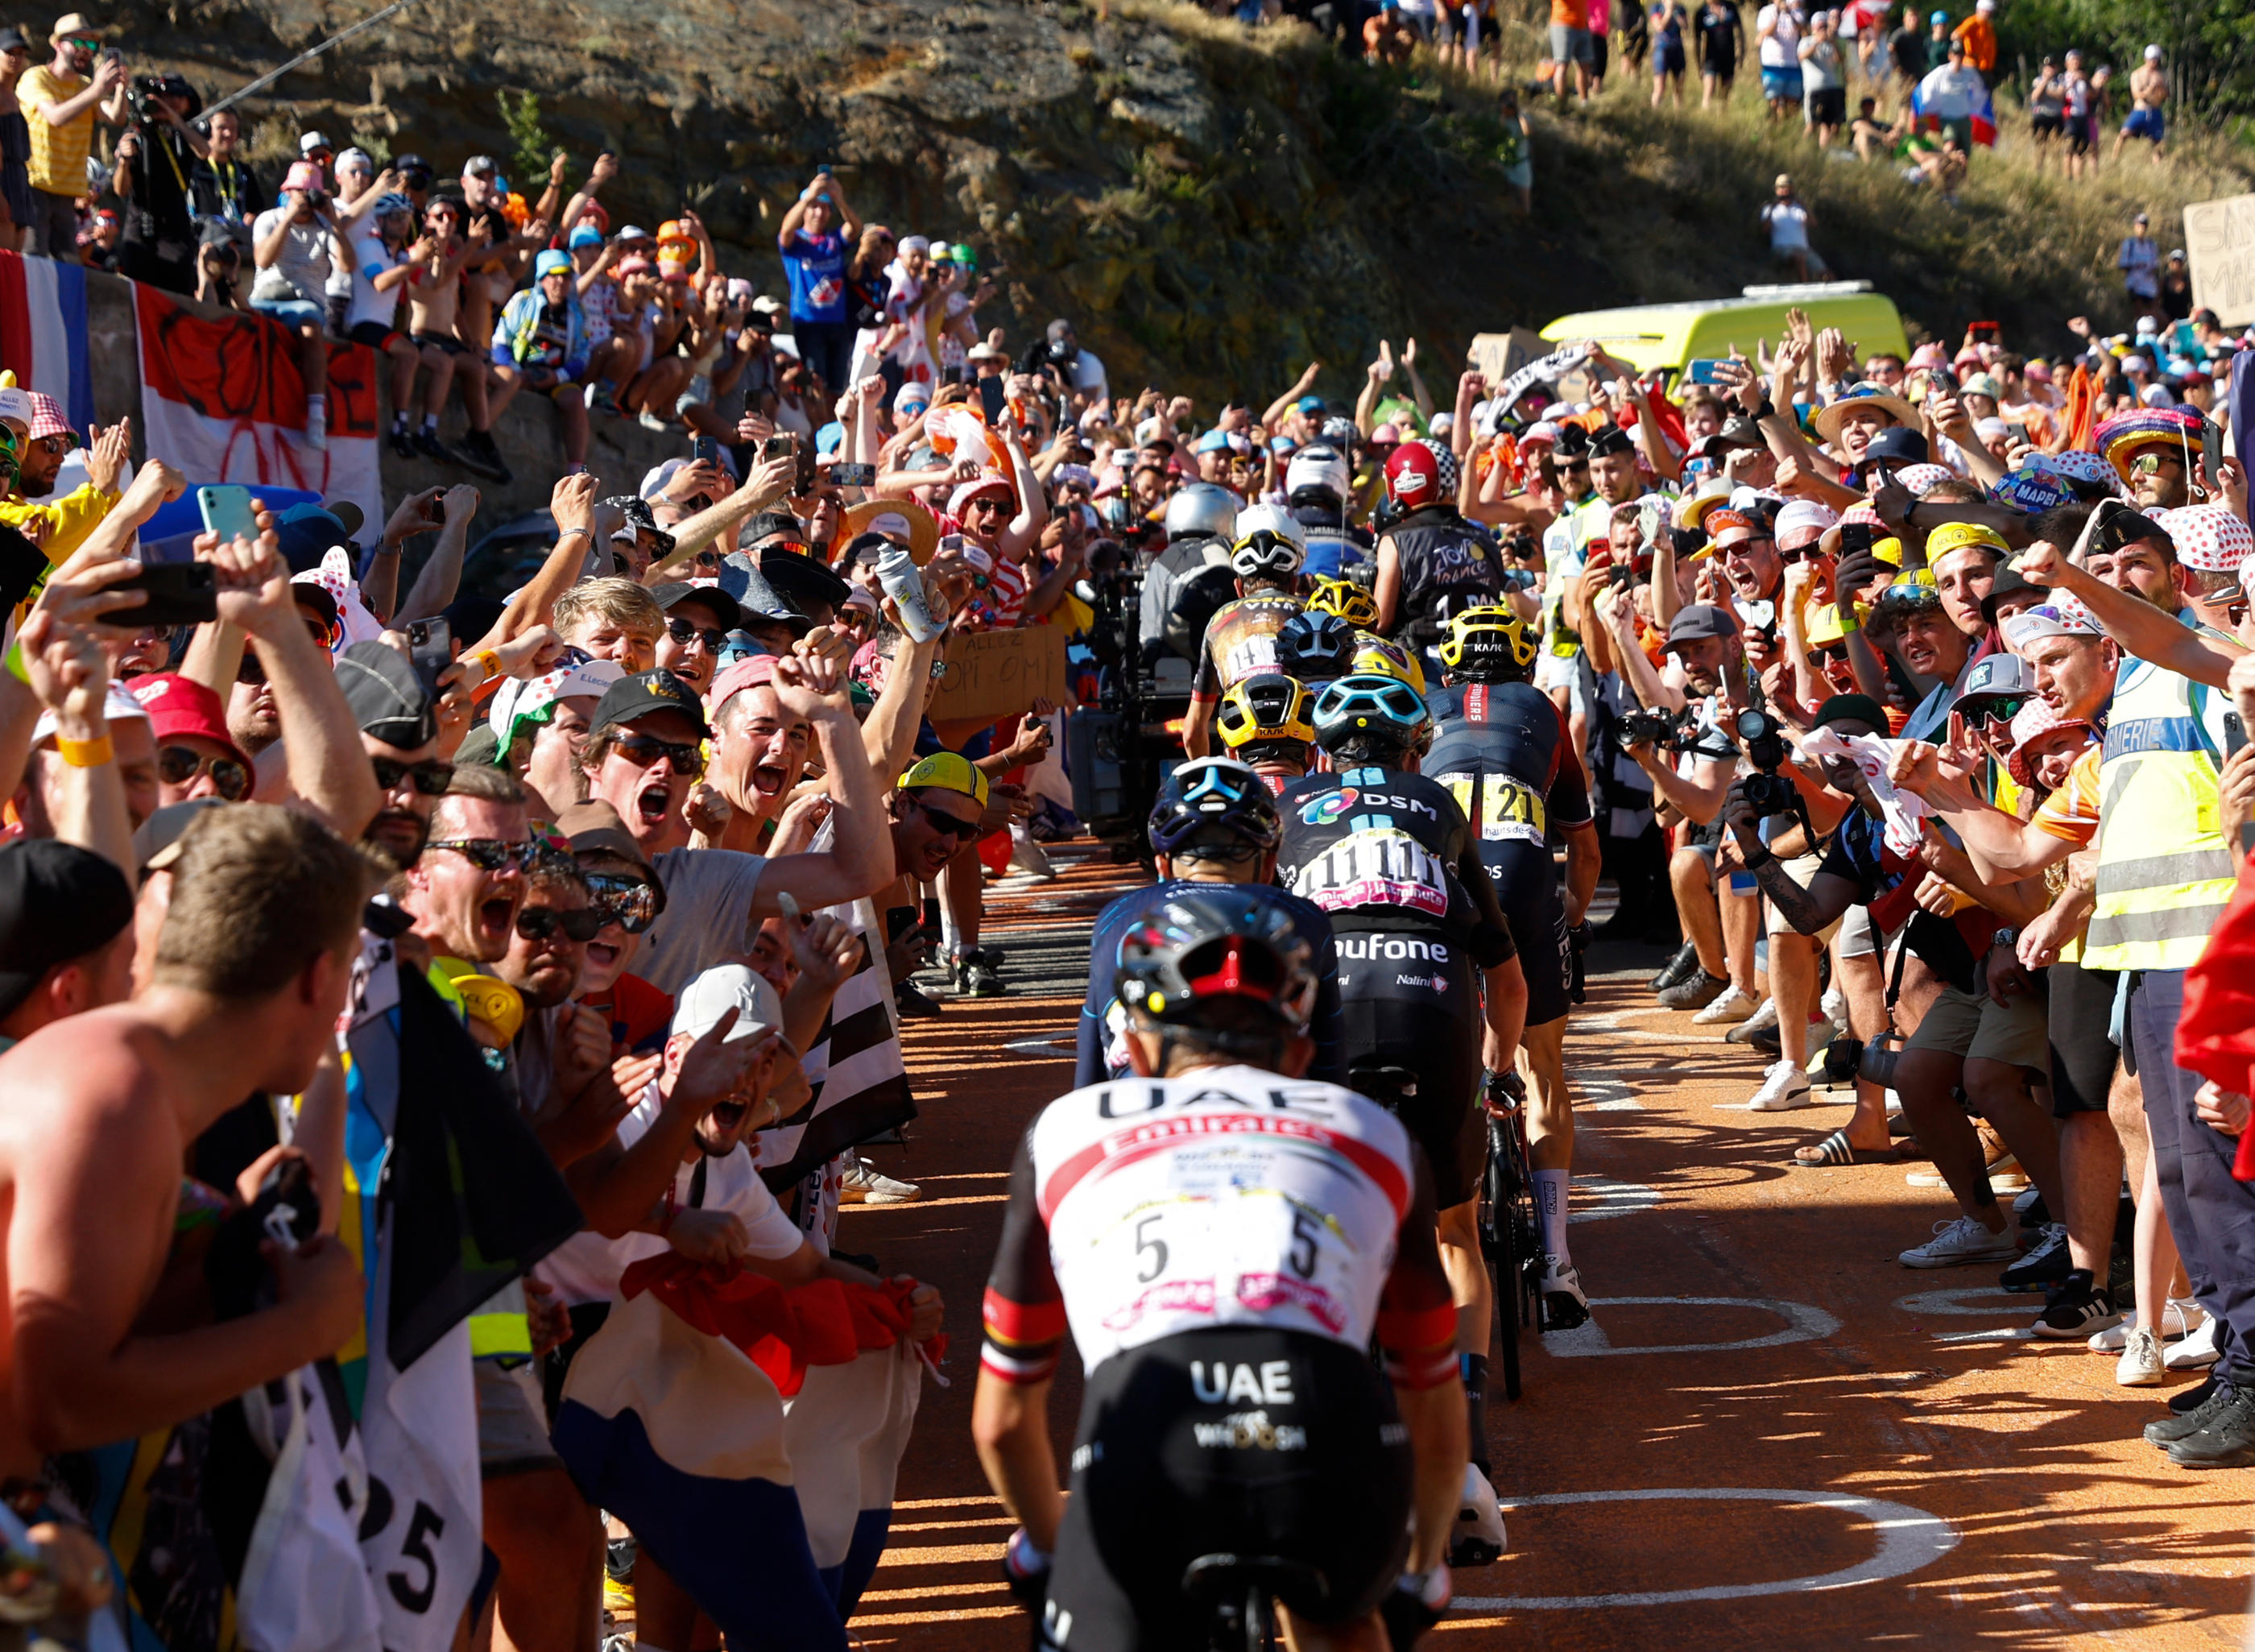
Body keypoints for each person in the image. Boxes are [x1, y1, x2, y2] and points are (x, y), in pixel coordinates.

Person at [975, 890, 1466, 1649]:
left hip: (1146, 1433)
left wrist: (1048, 1552)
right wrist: (1425, 1566)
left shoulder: (1062, 1130)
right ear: (1302, 1056)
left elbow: (1002, 1420)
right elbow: (1432, 1400)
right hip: (1325, 1419)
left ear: (1134, 1057)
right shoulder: (1375, 1131)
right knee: (1346, 1623)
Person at [0, 805, 368, 1481]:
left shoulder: (126, 1079)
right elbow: (62, 1402)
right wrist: (307, 1326)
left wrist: (224, 1256)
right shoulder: (109, 1097)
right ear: (319, 978)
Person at [1276, 672, 1526, 1561]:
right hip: (1432, 1012)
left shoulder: (1288, 805)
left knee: (1309, 1222)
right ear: (1413, 750)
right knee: (1454, 1230)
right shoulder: (1440, 805)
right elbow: (1504, 969)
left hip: (1331, 1017)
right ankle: (1468, 1464)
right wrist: (1500, 1070)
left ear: (1322, 753)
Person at [1425, 603, 1601, 1313]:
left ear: (1449, 663)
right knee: (1542, 1065)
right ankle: (1556, 1259)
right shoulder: (1545, 711)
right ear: (1524, 660)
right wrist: (1570, 924)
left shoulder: (1421, 702)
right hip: (1523, 876)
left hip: (1439, 873)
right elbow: (1584, 851)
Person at [1182, 507, 1306, 759]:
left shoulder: (1219, 621)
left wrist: (1208, 776)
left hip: (1245, 749)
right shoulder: (1310, 611)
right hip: (1302, 750)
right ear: (1294, 584)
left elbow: (1192, 731)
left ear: (1239, 587)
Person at [17, 14, 124, 260]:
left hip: (68, 192)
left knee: (70, 265)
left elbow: (116, 117)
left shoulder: (86, 85)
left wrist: (119, 91)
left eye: (90, 45)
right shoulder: (37, 77)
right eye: (78, 43)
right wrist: (97, 90)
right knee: (34, 257)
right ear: (57, 44)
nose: (85, 51)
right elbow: (55, 116)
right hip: (35, 185)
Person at [248, 159, 334, 450]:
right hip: (266, 298)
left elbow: (348, 264)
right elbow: (262, 260)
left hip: (305, 305)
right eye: (301, 191)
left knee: (311, 329)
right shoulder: (269, 219)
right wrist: (287, 219)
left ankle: (315, 415)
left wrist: (333, 221)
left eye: (311, 193)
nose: (306, 198)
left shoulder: (325, 228)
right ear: (288, 191)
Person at [490, 248, 594, 471]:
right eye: (554, 275)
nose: (561, 282)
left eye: (566, 276)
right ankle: (480, 436)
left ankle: (575, 472)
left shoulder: (578, 313)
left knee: (575, 398)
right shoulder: (522, 301)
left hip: (555, 378)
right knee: (508, 380)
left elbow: (583, 356)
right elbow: (499, 342)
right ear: (542, 279)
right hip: (519, 371)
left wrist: (557, 376)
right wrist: (517, 370)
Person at [777, 168, 860, 397]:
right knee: (816, 385)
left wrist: (840, 199)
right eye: (815, 207)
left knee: (836, 387)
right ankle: (817, 430)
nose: (819, 213)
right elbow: (785, 231)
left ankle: (834, 430)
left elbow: (855, 229)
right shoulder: (796, 242)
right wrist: (809, 196)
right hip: (809, 323)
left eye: (825, 208)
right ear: (805, 210)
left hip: (837, 323)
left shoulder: (833, 240)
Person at [1762, 172, 1825, 280]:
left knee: (1824, 272)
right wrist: (1773, 206)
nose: (1785, 191)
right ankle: (1805, 289)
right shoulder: (1770, 208)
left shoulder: (1799, 208)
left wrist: (1804, 205)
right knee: (1799, 259)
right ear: (1777, 190)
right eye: (1782, 188)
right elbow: (1765, 229)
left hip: (1804, 250)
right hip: (1782, 249)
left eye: (1788, 188)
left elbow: (1813, 223)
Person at [2114, 43, 2167, 163]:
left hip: (2155, 111)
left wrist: (2160, 90)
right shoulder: (2137, 74)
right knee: (2123, 134)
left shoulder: (2161, 76)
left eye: (2156, 60)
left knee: (2158, 142)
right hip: (2140, 111)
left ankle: (2158, 168)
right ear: (2146, 59)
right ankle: (2115, 159)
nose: (2154, 63)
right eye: (2151, 60)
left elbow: (2165, 96)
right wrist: (2150, 89)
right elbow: (2136, 95)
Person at [1696, 0, 1743, 106]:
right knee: (1709, 89)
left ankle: (1722, 116)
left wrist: (1741, 52)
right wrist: (1699, 63)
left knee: (1726, 91)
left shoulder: (1730, 7)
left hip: (1729, 56)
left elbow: (1740, 31)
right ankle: (1706, 117)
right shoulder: (1702, 12)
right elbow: (1697, 40)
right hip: (1711, 57)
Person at [2118, 212, 2162, 321]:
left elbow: (2156, 265)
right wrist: (2137, 265)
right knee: (2139, 315)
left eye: (2144, 226)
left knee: (2152, 313)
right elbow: (2123, 264)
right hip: (2135, 284)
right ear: (2135, 227)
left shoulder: (2151, 244)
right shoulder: (2129, 244)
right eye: (2139, 226)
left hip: (2149, 285)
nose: (2142, 228)